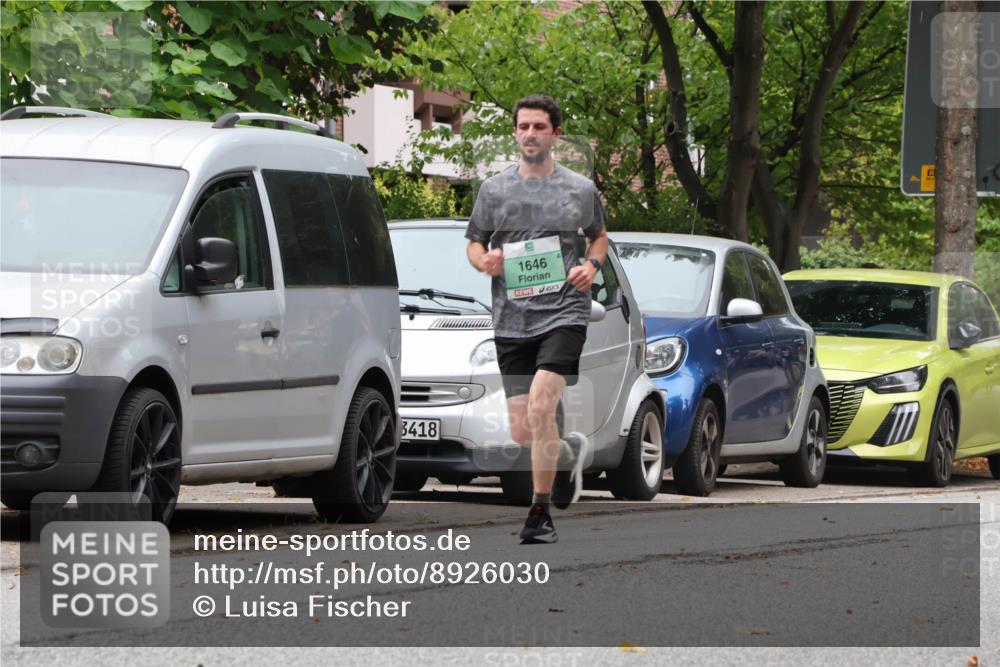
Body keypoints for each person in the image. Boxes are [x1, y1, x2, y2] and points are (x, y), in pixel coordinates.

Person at [465, 94, 609, 544]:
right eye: (523, 126)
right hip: (512, 317)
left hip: (564, 311)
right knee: (524, 428)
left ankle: (539, 514)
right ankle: (564, 453)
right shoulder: (494, 190)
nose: (530, 134)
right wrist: (482, 261)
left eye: (539, 127)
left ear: (555, 135)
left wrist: (591, 267)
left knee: (542, 405)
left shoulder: (579, 189)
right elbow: (473, 242)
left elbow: (598, 238)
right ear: (515, 132)